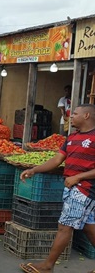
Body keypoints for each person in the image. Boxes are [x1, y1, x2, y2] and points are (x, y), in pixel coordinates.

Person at [19, 104, 95, 273]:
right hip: (72, 187)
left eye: (75, 113)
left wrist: (78, 177)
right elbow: (56, 160)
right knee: (89, 226)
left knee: (64, 226)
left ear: (87, 116)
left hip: (83, 189)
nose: (71, 116)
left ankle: (47, 266)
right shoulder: (71, 138)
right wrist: (34, 170)